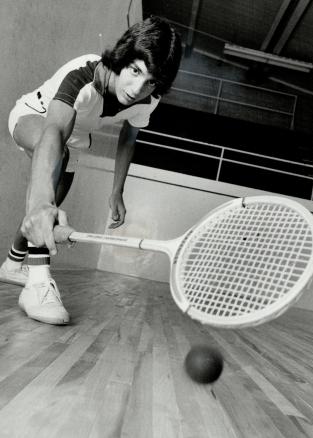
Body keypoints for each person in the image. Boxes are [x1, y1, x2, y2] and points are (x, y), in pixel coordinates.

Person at [0, 16, 182, 325]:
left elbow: (129, 137)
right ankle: (38, 283)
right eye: (135, 70)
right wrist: (40, 202)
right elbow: (53, 132)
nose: (138, 88)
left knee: (54, 199)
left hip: (71, 141)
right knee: (49, 189)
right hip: (36, 116)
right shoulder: (84, 74)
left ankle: (13, 263)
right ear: (123, 57)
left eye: (150, 80)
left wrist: (117, 191)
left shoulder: (148, 100)